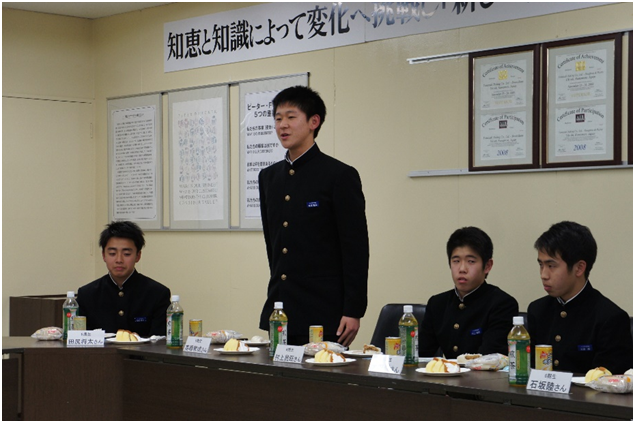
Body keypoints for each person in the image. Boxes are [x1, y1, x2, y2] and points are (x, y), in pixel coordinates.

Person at [257, 85, 369, 347]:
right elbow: (273, 244)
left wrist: (353, 309)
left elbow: (355, 248)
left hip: (325, 312)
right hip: (281, 311)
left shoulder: (338, 175)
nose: (282, 125)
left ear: (313, 122)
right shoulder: (268, 177)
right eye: (278, 118)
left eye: (291, 117)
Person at [528, 221, 632, 374]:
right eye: (541, 265)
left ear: (579, 268)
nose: (543, 275)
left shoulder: (609, 318)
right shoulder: (537, 310)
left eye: (551, 266)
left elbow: (607, 380)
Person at [419, 227, 519, 358]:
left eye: (471, 261)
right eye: (456, 261)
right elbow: (420, 355)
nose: (462, 269)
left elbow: (490, 358)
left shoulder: (502, 304)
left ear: (487, 266)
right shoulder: (437, 304)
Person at [77, 221, 171, 337]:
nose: (119, 260)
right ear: (103, 255)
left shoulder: (157, 294)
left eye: (126, 254)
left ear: (138, 256)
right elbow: (80, 339)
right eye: (112, 253)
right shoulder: (87, 294)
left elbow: (160, 341)